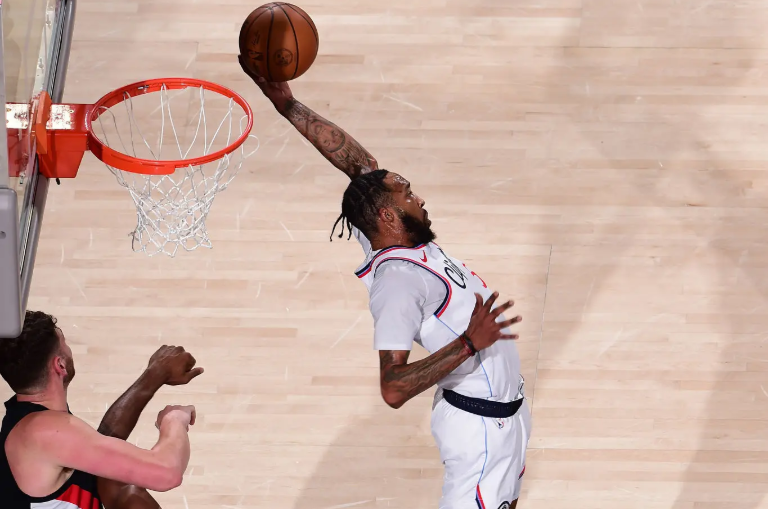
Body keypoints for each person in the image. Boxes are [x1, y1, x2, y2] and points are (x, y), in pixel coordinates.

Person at [240, 57, 532, 509]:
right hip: (480, 432)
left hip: (506, 416)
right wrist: (469, 344)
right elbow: (392, 387)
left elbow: (361, 165)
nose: (420, 198)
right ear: (388, 216)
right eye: (409, 194)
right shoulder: (398, 284)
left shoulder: (391, 233)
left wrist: (288, 105)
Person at [0, 310, 203, 509]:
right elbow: (167, 473)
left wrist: (156, 373)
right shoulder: (44, 432)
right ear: (60, 365)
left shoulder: (30, 418)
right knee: (128, 493)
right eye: (65, 344)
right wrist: (174, 420)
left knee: (123, 488)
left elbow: (103, 444)